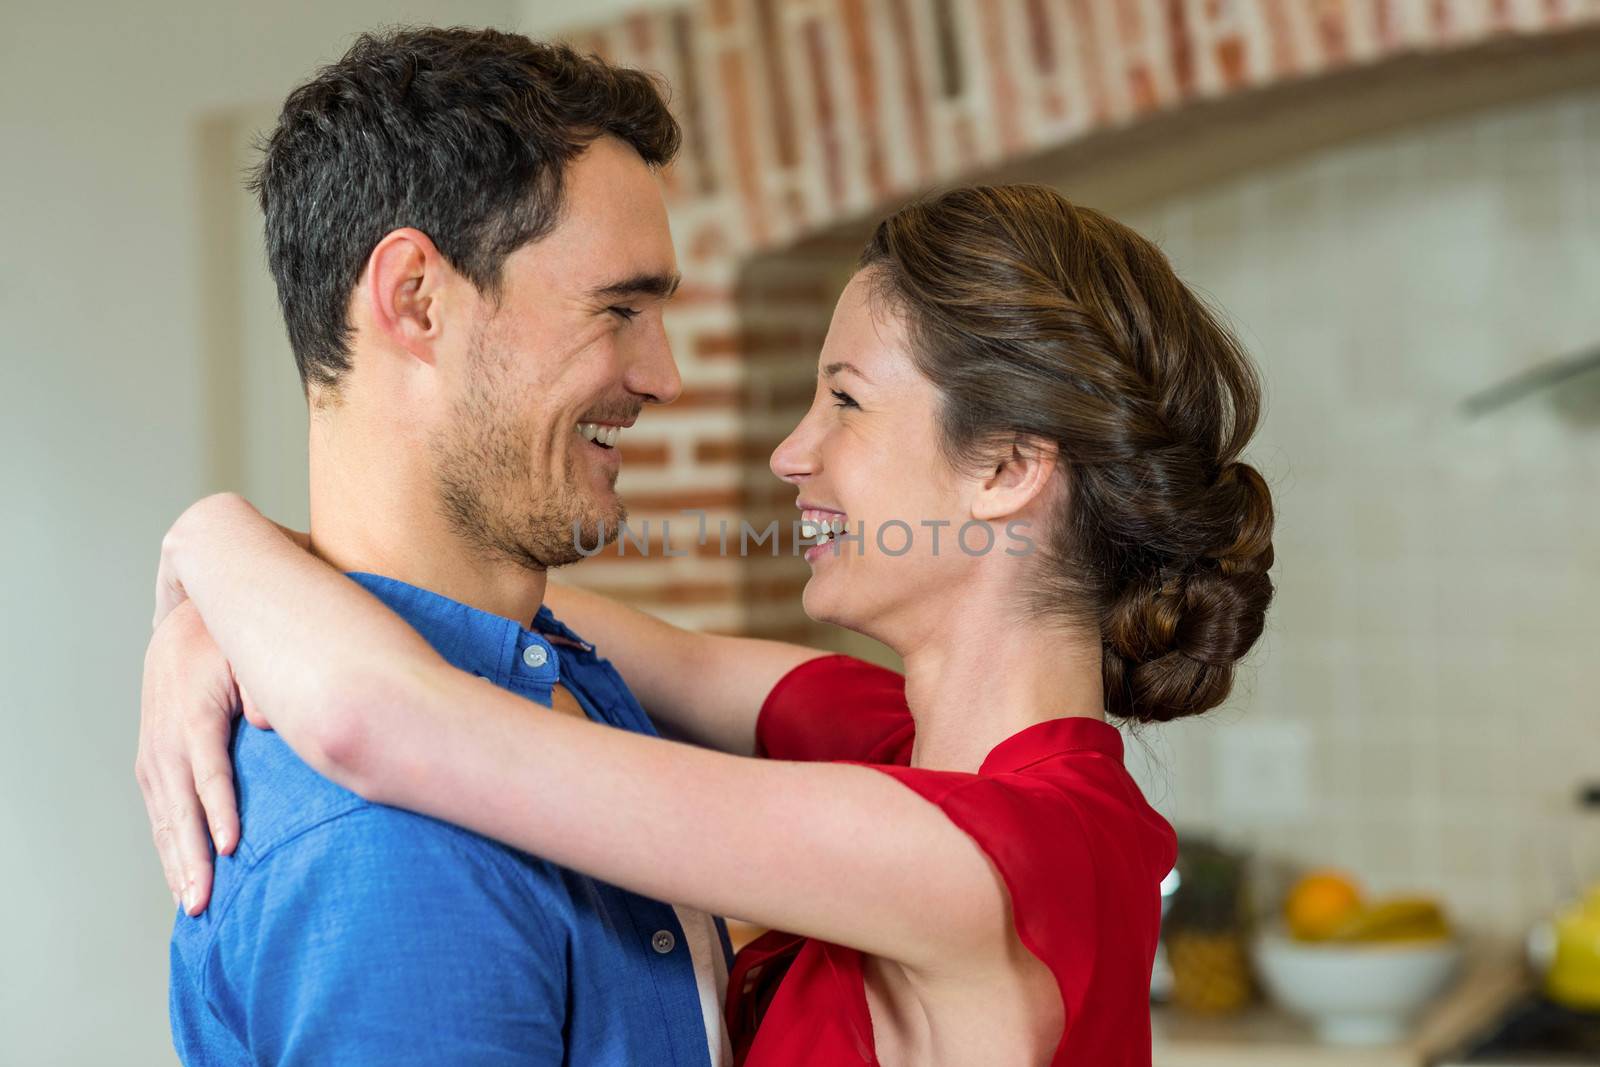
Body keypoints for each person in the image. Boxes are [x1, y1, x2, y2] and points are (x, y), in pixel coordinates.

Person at [140, 184, 1276, 1065]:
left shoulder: (993, 854)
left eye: (844, 399)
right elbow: (489, 597)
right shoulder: (899, 742)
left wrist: (202, 540)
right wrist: (234, 607)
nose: (792, 453)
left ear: (1007, 466)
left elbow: (379, 719)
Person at [141, 26, 741, 1066]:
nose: (662, 377)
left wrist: (216, 554)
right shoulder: (386, 842)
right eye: (619, 309)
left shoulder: (565, 678)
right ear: (416, 298)